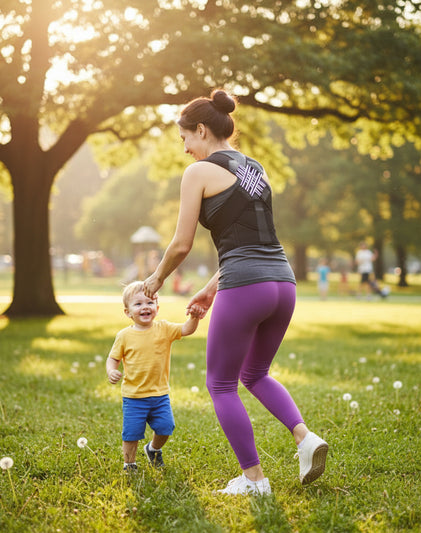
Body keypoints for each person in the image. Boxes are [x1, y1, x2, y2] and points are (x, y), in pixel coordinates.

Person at [143, 89, 328, 495]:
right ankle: (304, 438)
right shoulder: (256, 168)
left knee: (221, 384)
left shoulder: (199, 173)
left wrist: (153, 281)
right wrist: (212, 289)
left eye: (185, 138)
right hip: (283, 283)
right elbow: (251, 240)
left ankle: (254, 479)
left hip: (246, 285)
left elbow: (180, 244)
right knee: (255, 373)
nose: (186, 149)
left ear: (202, 130)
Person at [106, 281, 201, 471]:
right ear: (128, 312)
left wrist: (195, 317)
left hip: (159, 395)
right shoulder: (124, 336)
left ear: (157, 307)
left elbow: (186, 329)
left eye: (149, 303)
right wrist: (111, 371)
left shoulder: (164, 329)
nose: (145, 307)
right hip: (133, 397)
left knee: (166, 427)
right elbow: (113, 358)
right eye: (138, 304)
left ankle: (153, 448)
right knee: (131, 433)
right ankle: (129, 464)